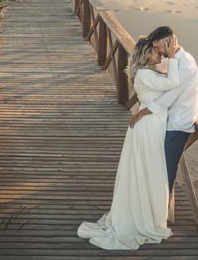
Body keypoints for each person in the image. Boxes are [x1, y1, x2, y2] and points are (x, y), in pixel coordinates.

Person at [77, 35, 180, 250]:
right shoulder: (143, 74)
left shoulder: (149, 72)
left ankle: (150, 213)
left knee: (150, 170)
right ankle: (142, 217)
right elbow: (173, 82)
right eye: (154, 51)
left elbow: (167, 84)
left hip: (151, 124)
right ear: (145, 54)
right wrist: (174, 57)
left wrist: (170, 57)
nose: (158, 53)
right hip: (148, 128)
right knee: (147, 170)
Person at [132, 26, 198, 204]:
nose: (158, 51)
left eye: (159, 46)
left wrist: (143, 112)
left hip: (178, 124)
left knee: (166, 172)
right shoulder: (177, 60)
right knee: (160, 169)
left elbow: (169, 97)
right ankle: (157, 209)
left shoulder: (183, 63)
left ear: (170, 41)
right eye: (155, 48)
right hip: (168, 121)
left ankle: (162, 215)